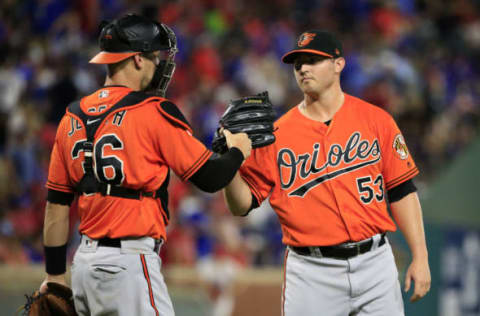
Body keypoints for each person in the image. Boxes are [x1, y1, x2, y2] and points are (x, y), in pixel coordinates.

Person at [39, 14, 251, 316]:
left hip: (83, 266)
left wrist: (54, 277)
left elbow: (56, 206)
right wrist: (238, 152)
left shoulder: (71, 117)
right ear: (138, 59)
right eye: (155, 57)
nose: (160, 65)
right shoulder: (153, 112)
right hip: (129, 265)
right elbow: (211, 178)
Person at [222, 30, 431, 315]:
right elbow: (241, 205)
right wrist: (229, 164)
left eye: (313, 60)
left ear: (338, 64)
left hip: (375, 264)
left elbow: (403, 191)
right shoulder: (277, 135)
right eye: (298, 64)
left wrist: (420, 256)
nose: (303, 68)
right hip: (311, 273)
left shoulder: (376, 120)